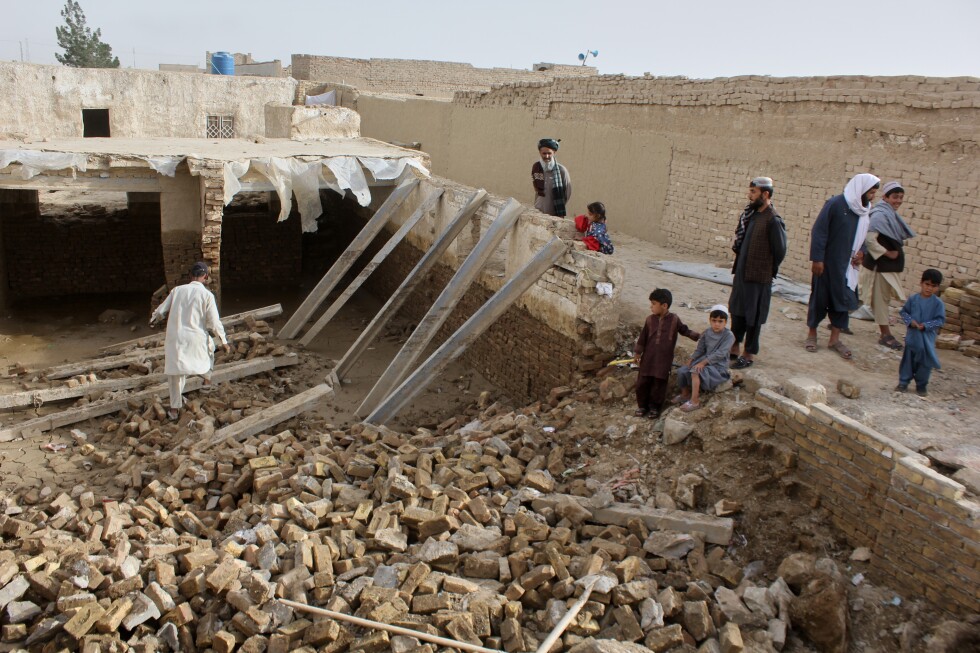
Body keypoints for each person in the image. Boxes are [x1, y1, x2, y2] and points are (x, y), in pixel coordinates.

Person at [805, 173, 880, 359]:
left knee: (843, 301)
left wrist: (862, 251)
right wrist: (817, 259)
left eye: (874, 193)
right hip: (827, 264)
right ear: (861, 190)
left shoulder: (865, 210)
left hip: (847, 267)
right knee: (820, 299)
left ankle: (834, 339)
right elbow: (819, 231)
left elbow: (864, 237)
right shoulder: (836, 204)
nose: (872, 197)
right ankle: (812, 334)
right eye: (870, 192)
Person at [150, 262, 231, 420]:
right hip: (196, 338)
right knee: (209, 353)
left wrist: (153, 319)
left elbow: (160, 310)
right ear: (206, 277)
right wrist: (223, 340)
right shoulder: (207, 295)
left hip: (176, 339)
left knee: (176, 375)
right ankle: (206, 382)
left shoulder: (177, 290)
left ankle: (174, 410)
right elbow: (214, 322)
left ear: (190, 276)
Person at [728, 177, 787, 369]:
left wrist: (765, 268)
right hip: (743, 274)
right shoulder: (751, 215)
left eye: (753, 192)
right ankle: (734, 345)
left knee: (754, 316)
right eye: (750, 191)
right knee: (737, 311)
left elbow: (780, 251)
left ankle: (749, 353)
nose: (749, 195)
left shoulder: (773, 220)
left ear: (765, 194)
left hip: (759, 278)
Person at [859, 181, 915, 350]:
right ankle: (885, 334)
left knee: (871, 297)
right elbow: (870, 239)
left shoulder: (889, 214)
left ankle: (838, 323)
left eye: (901, 198)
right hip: (880, 267)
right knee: (880, 300)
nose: (898, 201)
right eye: (895, 197)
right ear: (885, 197)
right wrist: (887, 253)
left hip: (887, 267)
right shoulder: (880, 215)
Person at [633, 289, 700, 419]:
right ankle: (642, 406)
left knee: (659, 384)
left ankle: (654, 408)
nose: (651, 307)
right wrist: (637, 353)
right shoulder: (649, 320)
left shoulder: (674, 319)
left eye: (653, 304)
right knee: (643, 382)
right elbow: (643, 338)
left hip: (664, 360)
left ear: (664, 305)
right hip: (648, 359)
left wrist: (699, 336)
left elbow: (684, 330)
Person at [672, 305, 736, 412]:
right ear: (710, 320)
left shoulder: (729, 336)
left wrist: (702, 363)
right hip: (704, 360)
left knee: (695, 371)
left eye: (720, 321)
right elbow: (700, 349)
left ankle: (694, 401)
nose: (717, 324)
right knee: (682, 370)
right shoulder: (707, 333)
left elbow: (720, 354)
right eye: (714, 320)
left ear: (725, 322)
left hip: (717, 365)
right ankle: (685, 394)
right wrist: (691, 360)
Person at [896, 269, 945, 396]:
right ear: (921, 283)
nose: (929, 288)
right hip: (913, 337)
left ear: (937, 288)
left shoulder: (938, 303)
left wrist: (926, 325)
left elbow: (940, 320)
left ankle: (921, 385)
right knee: (908, 361)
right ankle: (903, 382)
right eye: (927, 284)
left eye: (933, 286)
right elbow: (904, 312)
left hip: (927, 340)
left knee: (925, 364)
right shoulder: (913, 299)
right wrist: (910, 321)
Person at [532, 138, 571, 217]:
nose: (546, 156)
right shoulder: (536, 167)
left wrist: (558, 207)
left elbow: (567, 193)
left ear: (554, 152)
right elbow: (537, 190)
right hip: (537, 211)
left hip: (554, 214)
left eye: (549, 153)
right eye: (544, 153)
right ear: (540, 152)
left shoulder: (562, 170)